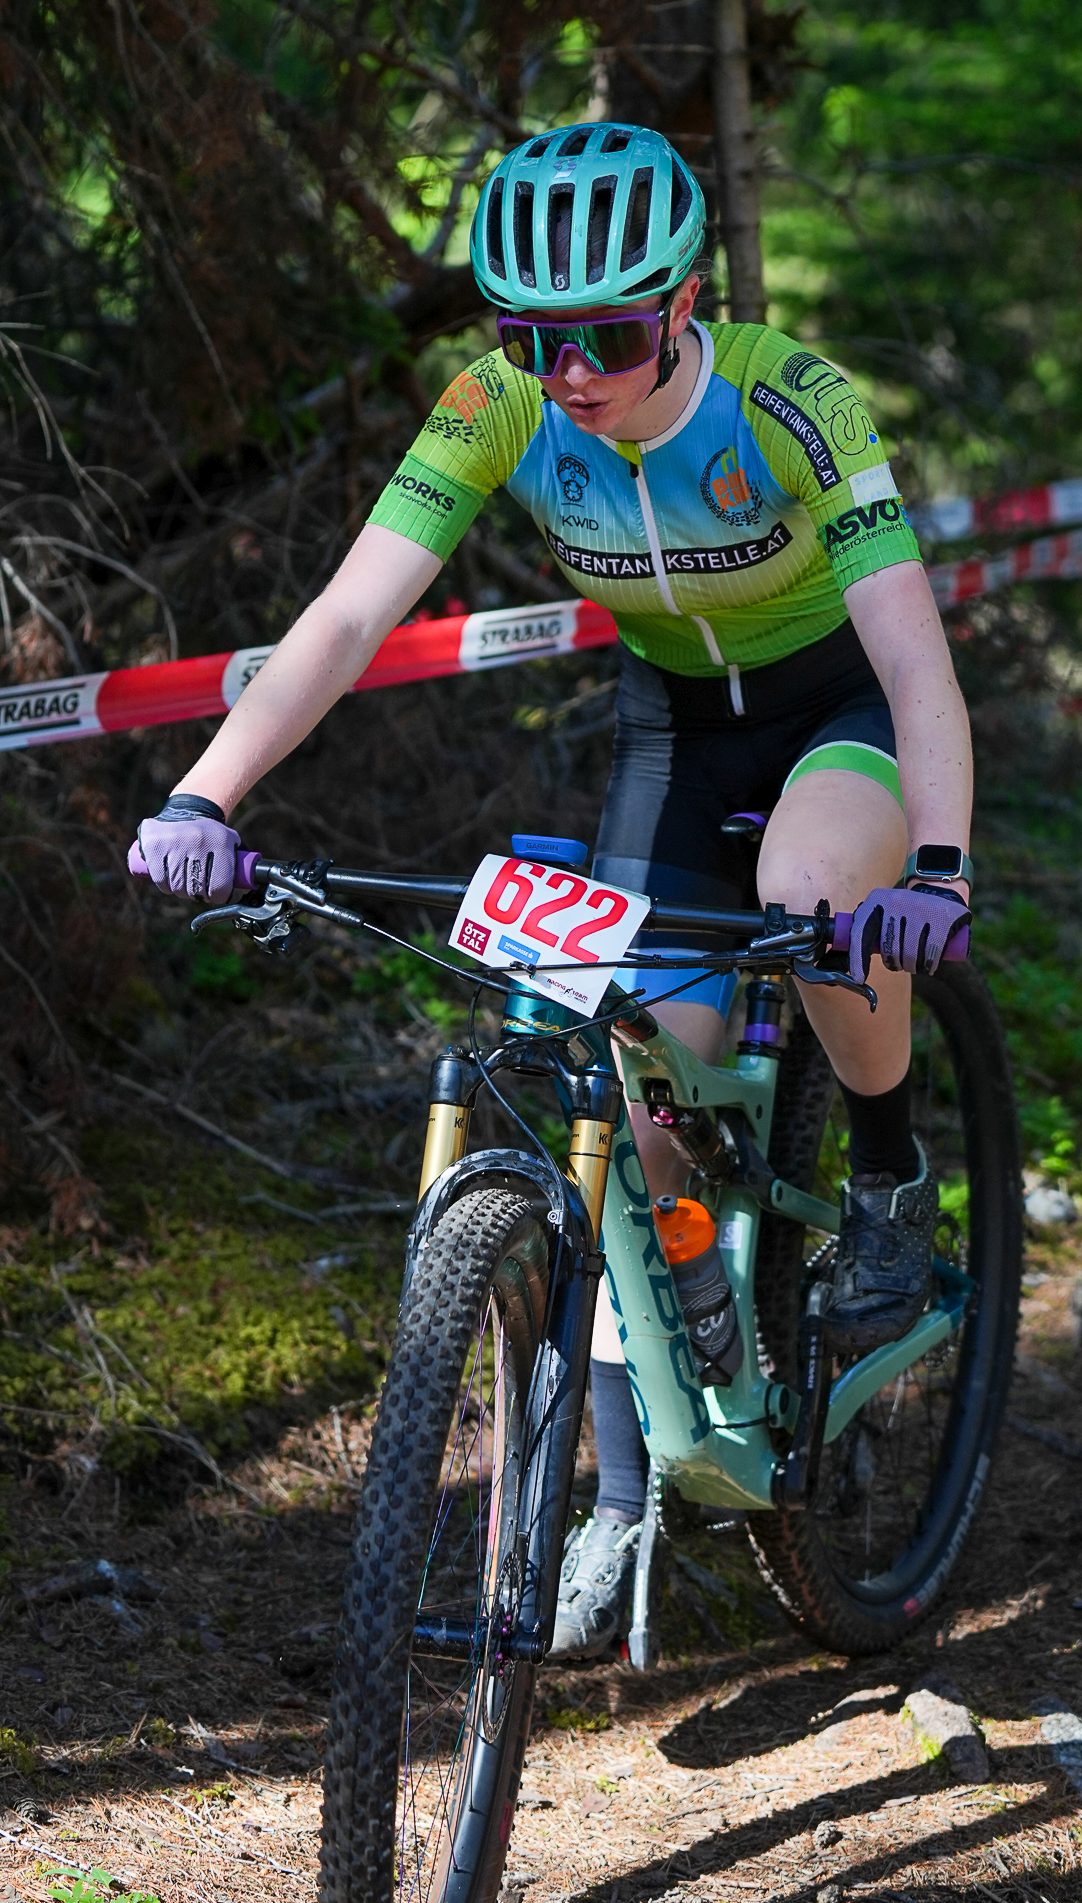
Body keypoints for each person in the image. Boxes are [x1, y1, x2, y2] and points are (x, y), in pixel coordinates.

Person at [134, 122, 973, 1661]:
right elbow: (346, 619)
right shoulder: (498, 404)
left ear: (686, 301)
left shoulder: (790, 398)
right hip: (674, 729)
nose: (570, 372)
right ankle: (626, 1487)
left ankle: (887, 1178)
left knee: (807, 892)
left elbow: (917, 659)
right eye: (533, 337)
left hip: (837, 709)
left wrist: (939, 868)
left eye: (608, 336)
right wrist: (207, 793)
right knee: (635, 1080)